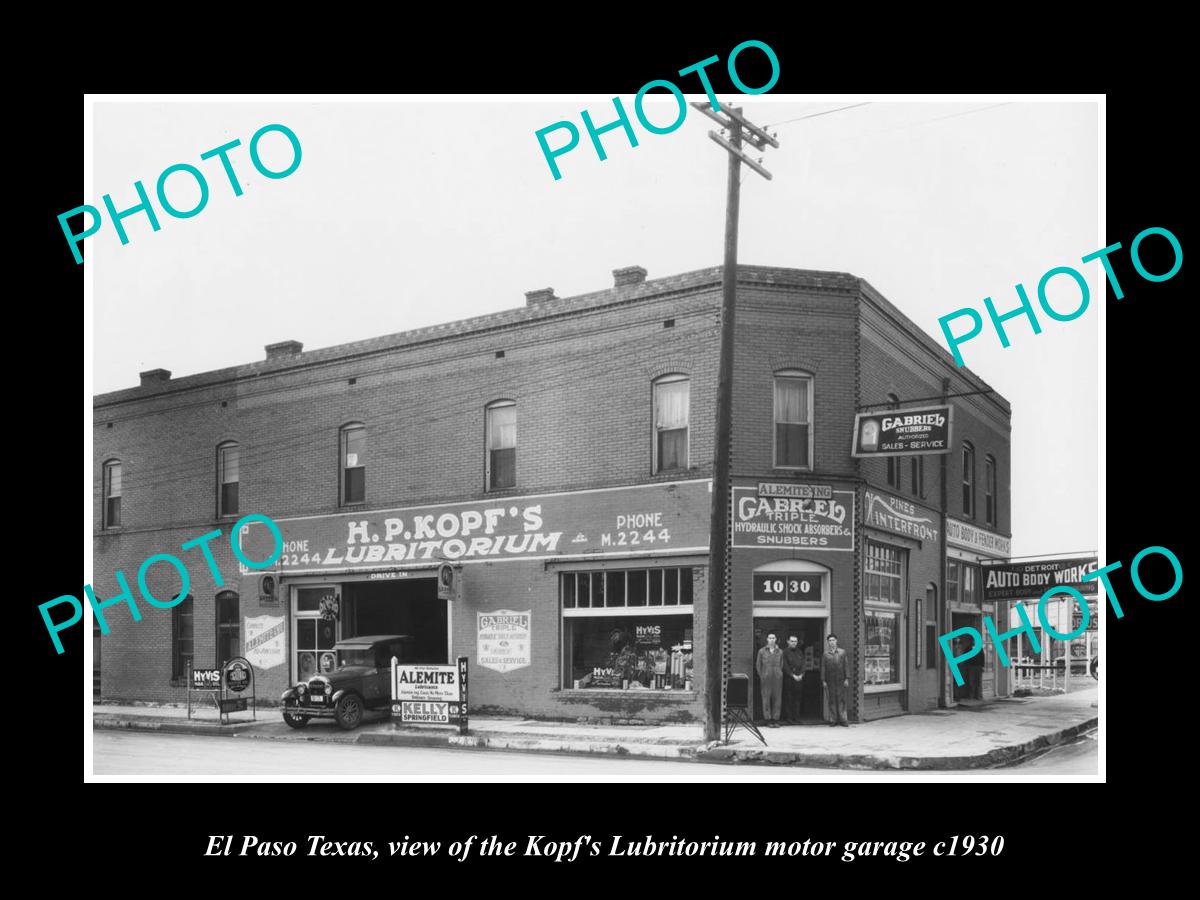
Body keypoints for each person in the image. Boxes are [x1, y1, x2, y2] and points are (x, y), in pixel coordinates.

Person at [756, 633, 784, 728]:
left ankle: (775, 719)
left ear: (776, 639)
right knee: (766, 697)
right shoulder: (762, 651)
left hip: (777, 677)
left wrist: (779, 673)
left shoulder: (780, 652)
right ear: (767, 639)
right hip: (766, 677)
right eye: (770, 638)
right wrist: (762, 675)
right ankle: (767, 719)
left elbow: (781, 664)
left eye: (773, 638)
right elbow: (758, 665)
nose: (771, 640)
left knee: (777, 697)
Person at [821, 633, 849, 727]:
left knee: (841, 699)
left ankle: (843, 719)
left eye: (833, 640)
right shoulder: (825, 654)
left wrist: (846, 678)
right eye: (830, 641)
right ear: (828, 642)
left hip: (841, 679)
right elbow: (823, 667)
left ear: (836, 641)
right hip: (830, 680)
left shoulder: (842, 652)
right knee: (832, 700)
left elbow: (846, 665)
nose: (832, 642)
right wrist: (823, 680)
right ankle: (833, 719)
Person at [781, 635, 806, 724]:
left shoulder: (800, 652)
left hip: (799, 679)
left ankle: (797, 718)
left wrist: (802, 674)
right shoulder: (784, 652)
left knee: (797, 699)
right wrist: (792, 675)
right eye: (792, 641)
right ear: (788, 641)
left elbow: (803, 663)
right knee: (789, 699)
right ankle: (789, 718)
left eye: (795, 641)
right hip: (789, 679)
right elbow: (785, 666)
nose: (794, 643)